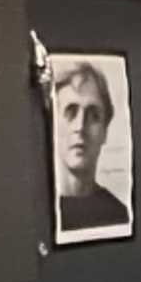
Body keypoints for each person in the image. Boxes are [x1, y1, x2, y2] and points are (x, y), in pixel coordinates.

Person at [49, 56, 130, 236]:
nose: (80, 127)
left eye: (93, 116)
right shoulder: (40, 210)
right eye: (71, 112)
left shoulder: (118, 214)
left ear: (105, 131)